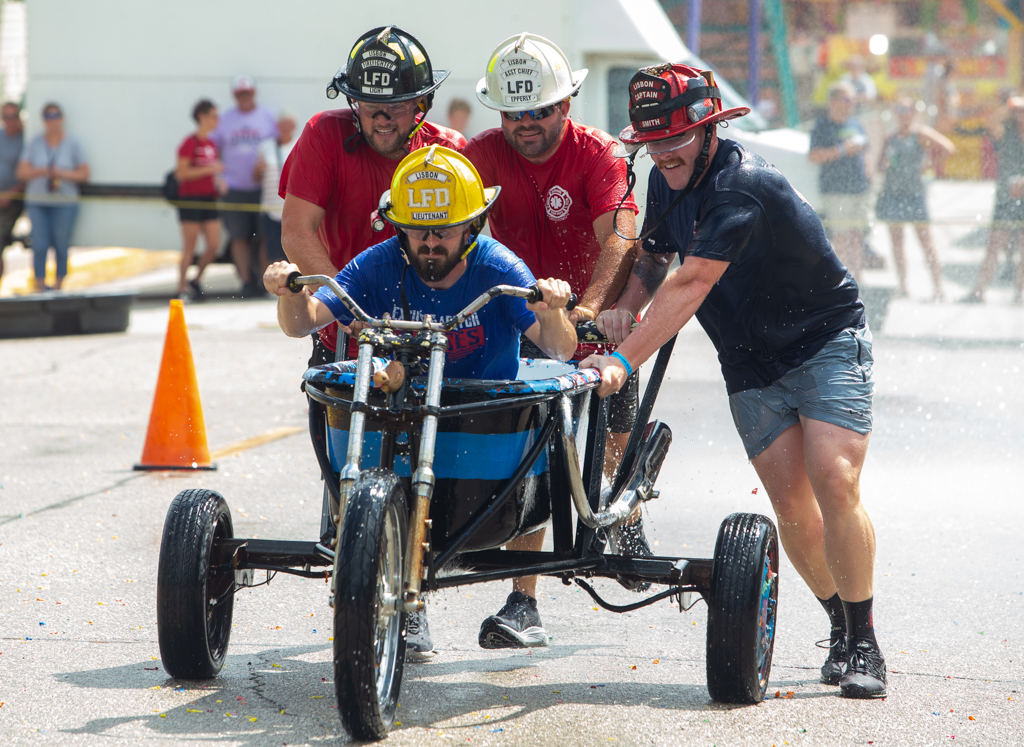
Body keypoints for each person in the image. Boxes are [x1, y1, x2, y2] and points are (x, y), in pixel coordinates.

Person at [582, 63, 887, 699]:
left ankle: (864, 640)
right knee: (792, 507)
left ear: (711, 130)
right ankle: (837, 623)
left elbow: (691, 283)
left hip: (825, 341)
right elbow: (655, 256)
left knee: (833, 478)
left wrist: (623, 359)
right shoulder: (668, 182)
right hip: (748, 359)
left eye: (678, 139)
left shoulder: (740, 185)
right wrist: (626, 306)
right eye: (653, 141)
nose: (664, 152)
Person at [265, 147, 575, 655]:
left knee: (534, 422)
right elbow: (303, 323)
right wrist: (290, 292)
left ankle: (523, 601)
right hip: (404, 414)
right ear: (398, 226)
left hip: (487, 423)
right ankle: (406, 608)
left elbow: (560, 348)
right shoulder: (382, 261)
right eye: (418, 231)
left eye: (444, 231)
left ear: (472, 226)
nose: (430, 243)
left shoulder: (497, 266)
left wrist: (556, 309)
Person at [463, 32, 644, 648]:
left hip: (588, 311)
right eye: (515, 113)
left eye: (539, 111)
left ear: (565, 106)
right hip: (517, 318)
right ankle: (523, 601)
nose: (527, 124)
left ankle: (624, 500)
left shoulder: (599, 153)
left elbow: (619, 240)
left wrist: (594, 309)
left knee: (619, 388)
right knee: (530, 445)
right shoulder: (479, 154)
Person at [280, 25, 465, 366]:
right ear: (353, 102)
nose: (382, 118)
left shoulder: (448, 151)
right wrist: (345, 302)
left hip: (429, 342)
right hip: (343, 341)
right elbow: (296, 231)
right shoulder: (323, 135)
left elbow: (469, 247)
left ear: (420, 103)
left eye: (394, 106)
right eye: (370, 106)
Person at [875, 96, 955, 302]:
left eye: (906, 110)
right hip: (893, 193)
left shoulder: (919, 133)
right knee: (897, 241)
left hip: (914, 193)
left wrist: (929, 165)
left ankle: (938, 286)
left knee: (925, 240)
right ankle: (903, 285)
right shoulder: (890, 137)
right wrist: (884, 165)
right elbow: (879, 165)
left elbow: (948, 148)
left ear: (913, 113)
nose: (903, 114)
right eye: (899, 110)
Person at [212, 74, 278, 296]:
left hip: (262, 188)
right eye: (240, 94)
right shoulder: (225, 119)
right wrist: (218, 177)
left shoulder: (267, 116)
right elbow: (213, 149)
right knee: (238, 236)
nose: (244, 97)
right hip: (234, 187)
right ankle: (246, 281)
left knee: (262, 236)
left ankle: (263, 280)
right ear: (234, 95)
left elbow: (278, 145)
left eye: (247, 93)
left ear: (254, 93)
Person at [16, 102, 89, 292]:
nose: (52, 120)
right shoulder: (35, 143)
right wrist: (42, 171)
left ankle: (58, 285)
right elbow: (22, 172)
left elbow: (84, 173)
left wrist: (62, 173)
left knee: (61, 244)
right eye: (48, 116)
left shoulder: (73, 143)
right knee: (39, 245)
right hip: (38, 201)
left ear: (61, 119)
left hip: (64, 202)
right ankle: (40, 285)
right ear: (43, 120)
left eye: (55, 115)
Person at [809, 82, 872, 281]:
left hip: (859, 188)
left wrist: (870, 173)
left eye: (853, 99)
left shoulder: (855, 123)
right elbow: (814, 156)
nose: (851, 104)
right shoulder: (822, 126)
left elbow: (866, 150)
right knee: (841, 237)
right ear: (833, 101)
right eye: (847, 99)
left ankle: (859, 280)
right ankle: (843, 280)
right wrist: (842, 150)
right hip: (836, 190)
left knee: (858, 235)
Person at [967, 95, 1024, 304]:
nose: (1020, 115)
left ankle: (1019, 293)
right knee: (995, 244)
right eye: (1017, 111)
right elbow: (991, 123)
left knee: (1022, 247)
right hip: (1005, 197)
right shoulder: (1007, 132)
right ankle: (979, 290)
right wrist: (1006, 104)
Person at [174, 99, 224, 301]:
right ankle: (181, 287)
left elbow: (212, 171)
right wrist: (210, 170)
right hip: (190, 199)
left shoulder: (211, 143)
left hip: (209, 198)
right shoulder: (190, 142)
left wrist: (218, 182)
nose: (216, 120)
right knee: (190, 246)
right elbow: (181, 173)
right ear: (202, 117)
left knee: (213, 245)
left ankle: (196, 280)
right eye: (213, 116)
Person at [254, 110, 297, 265]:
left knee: (292, 246)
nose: (285, 127)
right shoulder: (266, 147)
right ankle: (269, 284)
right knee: (271, 246)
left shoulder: (299, 145)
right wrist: (258, 169)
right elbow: (255, 177)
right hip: (270, 205)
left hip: (292, 206)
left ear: (294, 126)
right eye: (282, 124)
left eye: (288, 124)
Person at [0, 101, 24, 287]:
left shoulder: (25, 140)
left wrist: (10, 194)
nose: (10, 120)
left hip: (13, 201)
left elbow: (26, 175)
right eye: (6, 116)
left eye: (13, 116)